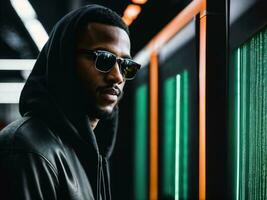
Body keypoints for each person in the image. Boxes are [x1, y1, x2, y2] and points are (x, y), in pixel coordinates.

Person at [0, 4, 140, 200]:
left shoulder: (92, 153)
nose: (117, 76)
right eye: (104, 58)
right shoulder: (27, 151)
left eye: (126, 65)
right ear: (64, 60)